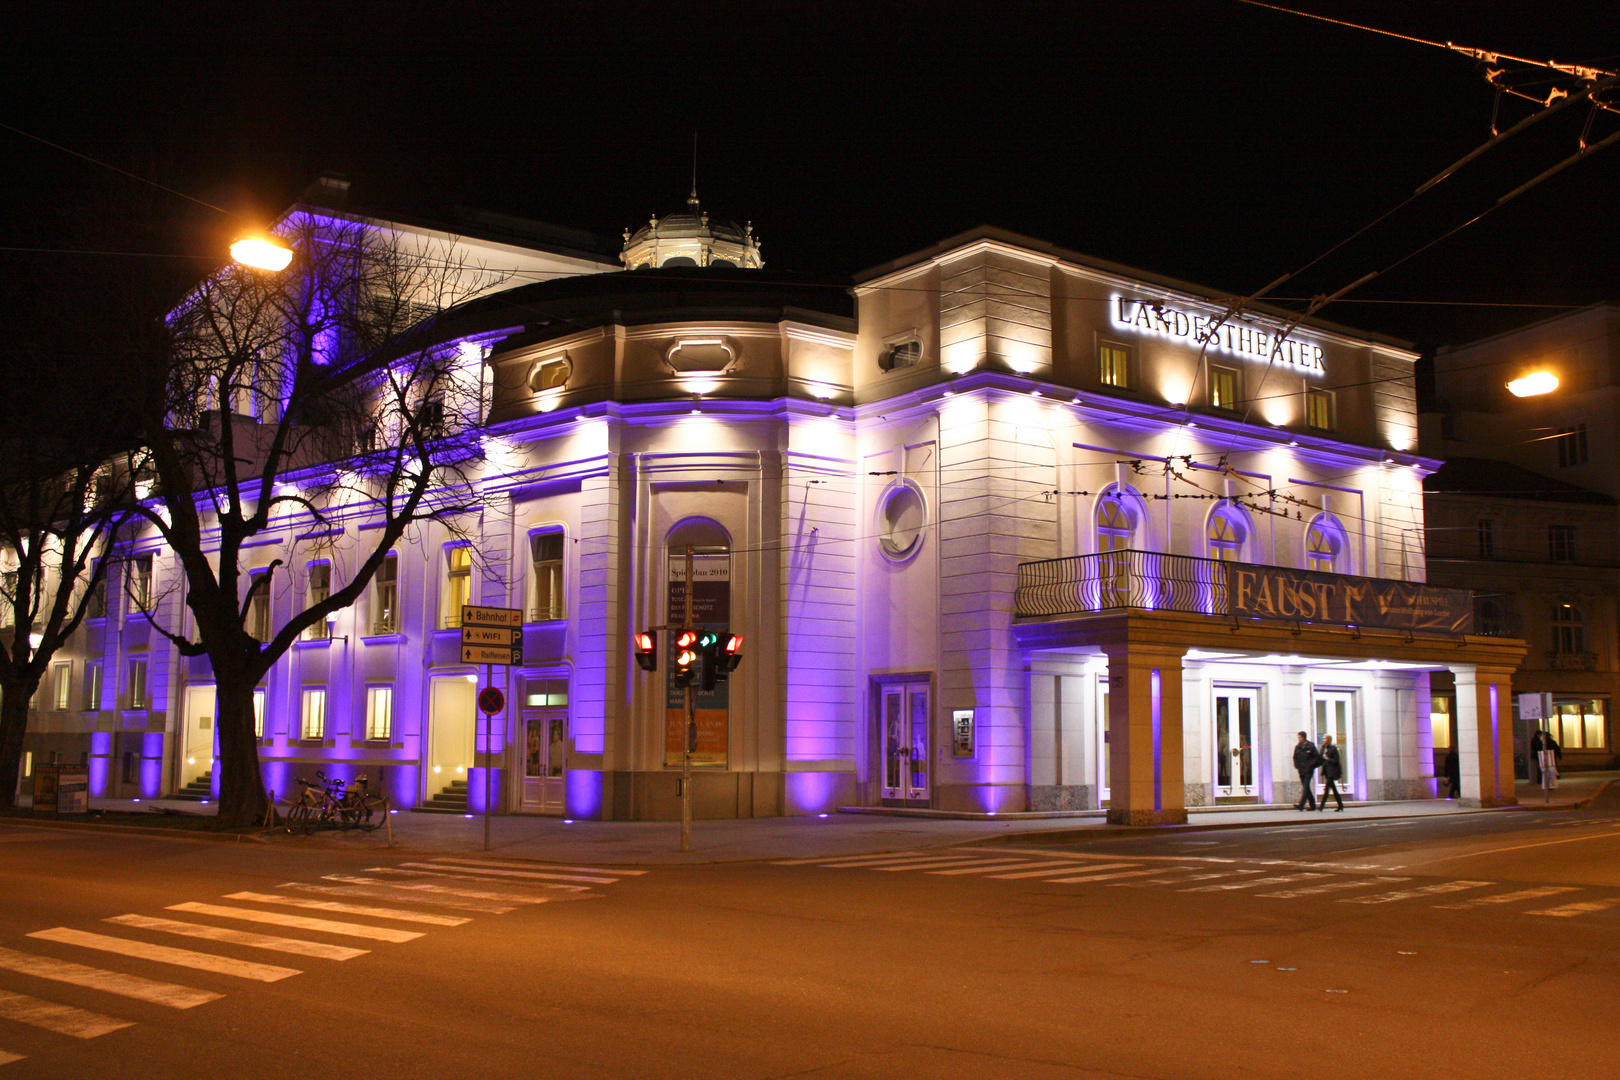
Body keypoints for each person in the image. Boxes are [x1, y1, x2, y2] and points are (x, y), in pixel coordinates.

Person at [1293, 731, 1321, 811]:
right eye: (1298, 737)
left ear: (1304, 737)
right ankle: (1313, 805)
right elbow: (1295, 757)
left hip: (1308, 770)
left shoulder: (1310, 746)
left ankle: (1301, 805)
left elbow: (1316, 757)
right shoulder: (1298, 747)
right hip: (1301, 770)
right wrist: (1297, 765)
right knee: (1306, 787)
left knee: (1305, 786)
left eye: (1300, 737)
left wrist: (1311, 765)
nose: (1299, 739)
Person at [1318, 734, 1345, 811]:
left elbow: (1336, 761)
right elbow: (1320, 758)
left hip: (1332, 772)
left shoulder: (1333, 749)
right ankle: (1340, 805)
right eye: (1323, 738)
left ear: (1329, 740)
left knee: (1327, 789)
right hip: (1326, 771)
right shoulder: (1323, 748)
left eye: (1325, 738)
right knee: (1334, 789)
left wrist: (1328, 758)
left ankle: (1321, 806)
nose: (1323, 740)